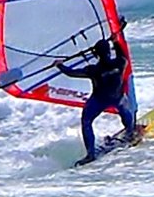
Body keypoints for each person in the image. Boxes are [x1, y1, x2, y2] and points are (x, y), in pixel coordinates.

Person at [59, 32, 139, 162]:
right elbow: (122, 54)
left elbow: (70, 73)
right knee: (124, 109)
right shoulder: (121, 63)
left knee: (86, 121)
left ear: (96, 55)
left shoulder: (93, 70)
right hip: (118, 99)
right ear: (110, 51)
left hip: (98, 101)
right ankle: (130, 133)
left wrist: (59, 65)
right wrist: (116, 42)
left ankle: (90, 154)